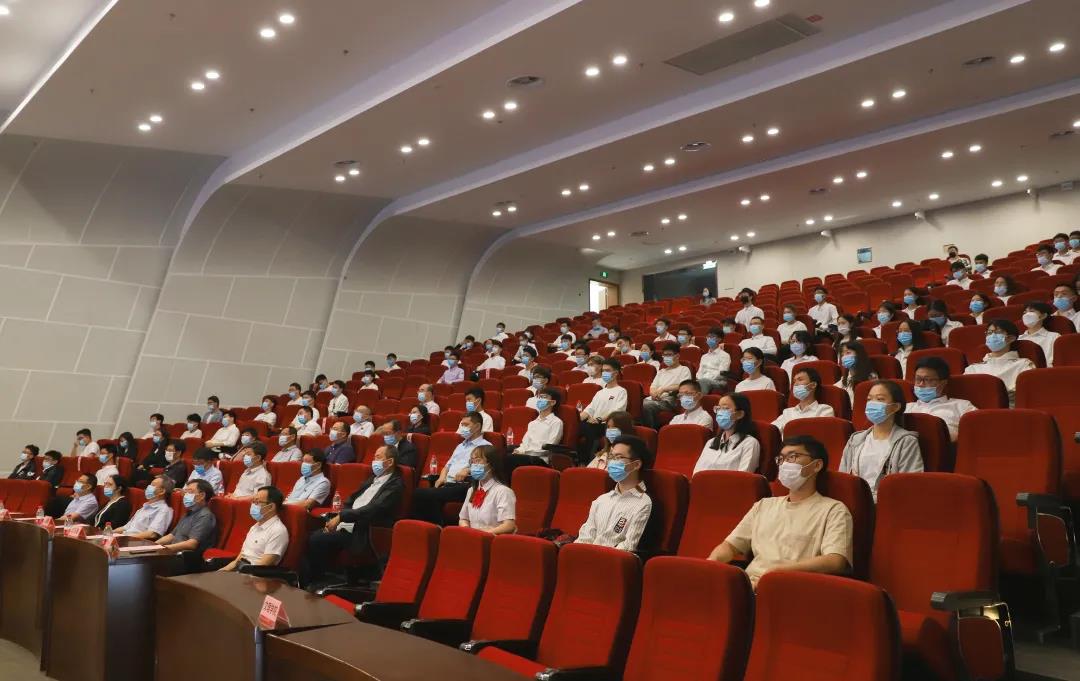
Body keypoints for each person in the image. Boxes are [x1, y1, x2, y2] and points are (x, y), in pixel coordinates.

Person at [707, 435, 853, 589]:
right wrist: (711, 565)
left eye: (793, 457)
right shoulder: (763, 505)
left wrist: (778, 573)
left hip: (790, 588)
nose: (784, 464)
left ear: (816, 465)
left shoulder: (833, 510)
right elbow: (730, 546)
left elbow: (836, 560)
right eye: (781, 459)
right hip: (749, 586)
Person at [301, 445, 405, 588]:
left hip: (364, 529)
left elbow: (373, 509)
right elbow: (351, 499)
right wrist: (341, 517)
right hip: (348, 522)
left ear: (390, 462)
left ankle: (315, 581)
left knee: (316, 538)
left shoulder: (395, 484)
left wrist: (342, 517)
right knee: (312, 534)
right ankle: (314, 579)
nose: (374, 461)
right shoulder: (374, 478)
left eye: (378, 457)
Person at [840, 380, 924, 501]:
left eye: (879, 399)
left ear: (895, 407)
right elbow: (843, 478)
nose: (872, 404)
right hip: (855, 501)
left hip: (889, 503)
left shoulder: (906, 441)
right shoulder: (855, 439)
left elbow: (910, 484)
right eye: (869, 399)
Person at [575, 436, 653, 552]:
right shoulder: (602, 499)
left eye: (619, 457)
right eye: (612, 457)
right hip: (588, 557)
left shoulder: (644, 502)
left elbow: (628, 547)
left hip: (612, 560)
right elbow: (585, 538)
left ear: (636, 465)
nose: (612, 463)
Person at [412, 413, 490, 524]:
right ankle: (429, 526)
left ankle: (436, 527)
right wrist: (441, 478)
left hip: (465, 485)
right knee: (421, 494)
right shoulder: (460, 446)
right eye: (461, 424)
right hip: (448, 483)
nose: (462, 427)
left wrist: (468, 470)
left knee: (421, 494)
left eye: (466, 425)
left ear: (477, 426)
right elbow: (447, 466)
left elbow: (486, 468)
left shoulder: (485, 446)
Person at [964, 320, 1036, 406]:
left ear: (1011, 338)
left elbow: (1025, 394)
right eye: (989, 333)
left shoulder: (1024, 365)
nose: (992, 336)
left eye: (998, 332)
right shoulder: (973, 369)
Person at [906, 356, 976, 442]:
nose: (921, 384)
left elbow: (976, 433)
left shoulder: (963, 406)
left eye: (927, 380)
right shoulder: (906, 408)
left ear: (943, 383)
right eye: (918, 379)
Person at [220, 486, 289, 572]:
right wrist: (219, 572)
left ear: (271, 507)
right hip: (241, 570)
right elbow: (238, 560)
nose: (253, 506)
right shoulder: (255, 527)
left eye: (257, 502)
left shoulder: (278, 531)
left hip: (254, 576)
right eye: (253, 502)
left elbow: (262, 566)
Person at [157, 479, 218, 570]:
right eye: (185, 492)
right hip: (173, 553)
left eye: (190, 492)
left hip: (187, 559)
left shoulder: (205, 516)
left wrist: (165, 548)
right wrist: (154, 545)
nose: (186, 495)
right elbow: (171, 536)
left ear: (202, 495)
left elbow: (191, 544)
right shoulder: (188, 513)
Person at [694, 393, 760, 475]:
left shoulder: (749, 443)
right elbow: (697, 474)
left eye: (725, 408)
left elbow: (743, 477)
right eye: (718, 408)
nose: (720, 413)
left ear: (740, 414)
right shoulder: (711, 442)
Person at [578, 358, 629, 459]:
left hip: (607, 425)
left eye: (608, 370)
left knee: (589, 428)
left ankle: (587, 460)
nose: (604, 373)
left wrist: (599, 419)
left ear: (616, 373)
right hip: (593, 423)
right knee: (576, 426)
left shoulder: (621, 391)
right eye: (603, 370)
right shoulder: (599, 392)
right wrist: (576, 419)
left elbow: (617, 412)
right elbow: (589, 409)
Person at [460, 446, 517, 534]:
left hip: (493, 538)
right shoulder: (471, 490)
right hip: (473, 538)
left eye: (478, 460)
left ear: (491, 464)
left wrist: (483, 534)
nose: (474, 465)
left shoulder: (503, 491)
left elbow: (509, 525)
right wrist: (467, 531)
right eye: (472, 461)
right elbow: (463, 518)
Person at [641, 343, 693, 428]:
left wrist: (664, 389)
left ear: (677, 356)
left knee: (647, 406)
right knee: (639, 404)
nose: (666, 357)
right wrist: (653, 393)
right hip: (656, 399)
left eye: (669, 355)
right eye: (664, 355)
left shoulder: (684, 369)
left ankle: (650, 430)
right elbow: (653, 386)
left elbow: (684, 386)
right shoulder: (661, 371)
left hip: (670, 398)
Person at [772, 367, 835, 435]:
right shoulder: (787, 412)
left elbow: (822, 435)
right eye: (794, 381)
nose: (795, 384)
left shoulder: (825, 410)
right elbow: (771, 431)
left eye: (800, 379)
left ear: (813, 385)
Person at [511, 388, 563, 466]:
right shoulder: (532, 423)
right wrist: (518, 451)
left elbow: (550, 446)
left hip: (541, 459)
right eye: (540, 397)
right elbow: (525, 444)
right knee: (507, 456)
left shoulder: (556, 422)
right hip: (526, 456)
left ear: (553, 402)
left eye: (544, 397)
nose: (540, 400)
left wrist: (527, 453)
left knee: (513, 459)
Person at [117, 476, 175, 540]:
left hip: (137, 541)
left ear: (162, 491)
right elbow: (125, 528)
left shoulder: (164, 510)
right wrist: (111, 533)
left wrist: (126, 538)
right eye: (150, 484)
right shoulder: (144, 507)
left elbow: (152, 534)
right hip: (126, 537)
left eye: (153, 485)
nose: (148, 487)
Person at [1019, 302, 1060, 366]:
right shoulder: (1018, 338)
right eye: (1025, 312)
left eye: (1031, 311)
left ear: (1043, 316)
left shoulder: (1054, 336)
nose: (1026, 315)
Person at [697, 327, 732, 394]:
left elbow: (721, 373)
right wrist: (700, 379)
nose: (709, 339)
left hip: (718, 381)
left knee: (703, 381)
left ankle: (702, 398)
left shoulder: (725, 355)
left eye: (712, 337)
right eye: (708, 337)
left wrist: (706, 379)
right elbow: (700, 371)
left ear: (719, 339)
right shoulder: (704, 356)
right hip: (703, 381)